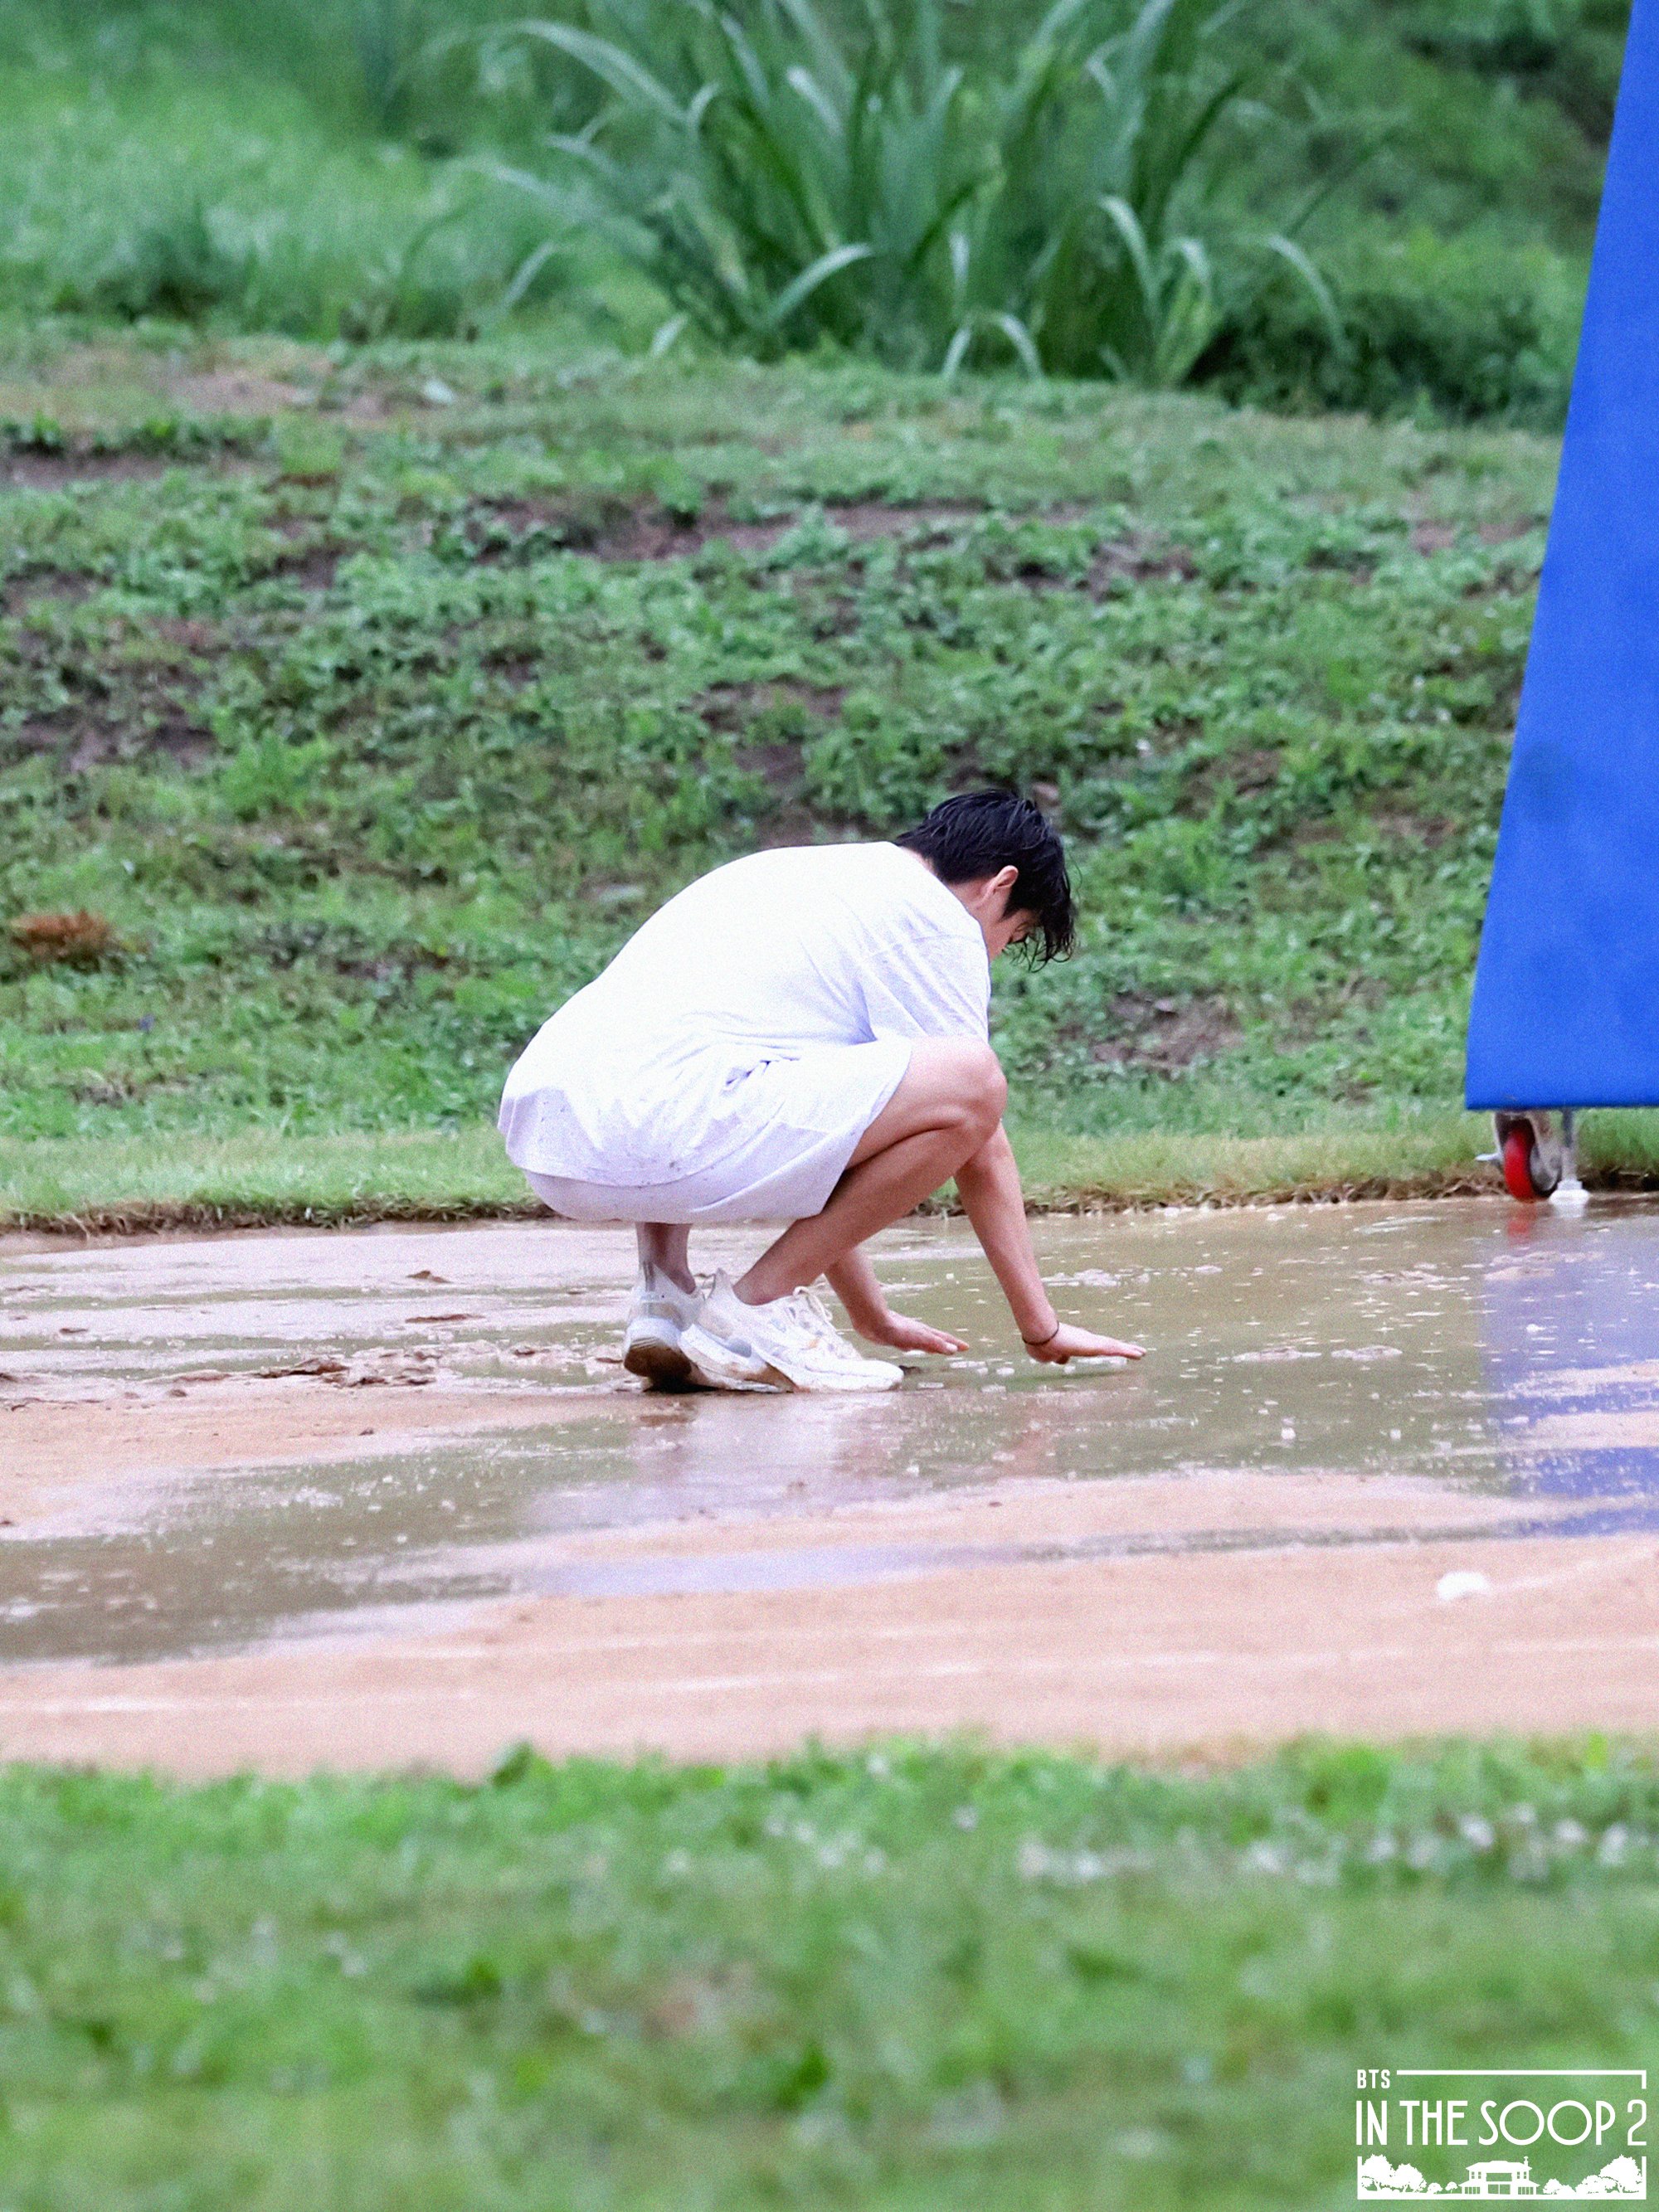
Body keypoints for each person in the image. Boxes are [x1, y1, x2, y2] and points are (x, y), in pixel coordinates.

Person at [498, 790, 1146, 1392]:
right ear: (1000, 884)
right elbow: (978, 1132)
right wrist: (1042, 1328)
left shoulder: (793, 875)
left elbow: (825, 1135)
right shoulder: (933, 915)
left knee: (700, 1043)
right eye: (1016, 933)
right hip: (670, 1125)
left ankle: (664, 1296)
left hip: (553, 1132)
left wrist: (873, 1315)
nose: (999, 952)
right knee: (974, 1083)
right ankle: (756, 1309)